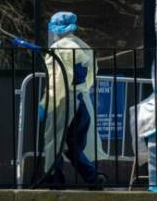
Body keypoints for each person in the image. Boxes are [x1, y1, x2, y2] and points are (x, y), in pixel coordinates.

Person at [39, 12, 106, 188]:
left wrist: (47, 104)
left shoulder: (59, 48)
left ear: (54, 28)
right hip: (82, 100)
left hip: (64, 100)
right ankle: (93, 177)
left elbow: (58, 81)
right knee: (72, 144)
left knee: (54, 140)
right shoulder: (83, 46)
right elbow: (91, 75)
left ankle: (54, 179)